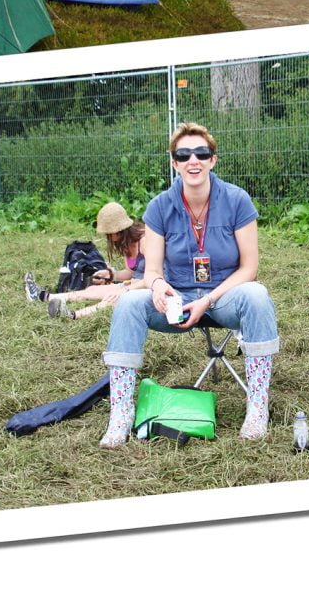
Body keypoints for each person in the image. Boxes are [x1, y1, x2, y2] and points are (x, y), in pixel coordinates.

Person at [99, 122, 279, 448]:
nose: (193, 160)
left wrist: (208, 300)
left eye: (201, 153)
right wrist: (156, 288)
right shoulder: (159, 206)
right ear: (174, 163)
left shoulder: (237, 200)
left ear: (213, 160)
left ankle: (257, 407)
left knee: (258, 295)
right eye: (184, 154)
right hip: (176, 297)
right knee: (127, 303)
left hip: (224, 295)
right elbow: (152, 270)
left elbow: (249, 268)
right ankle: (120, 414)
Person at [24, 202, 146, 319]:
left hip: (147, 289)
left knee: (111, 300)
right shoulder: (126, 244)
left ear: (117, 231)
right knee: (91, 290)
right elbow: (130, 273)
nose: (107, 237)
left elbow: (154, 277)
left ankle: (71, 315)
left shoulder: (145, 241)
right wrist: (110, 275)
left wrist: (125, 290)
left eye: (108, 233)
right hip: (134, 285)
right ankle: (44, 296)